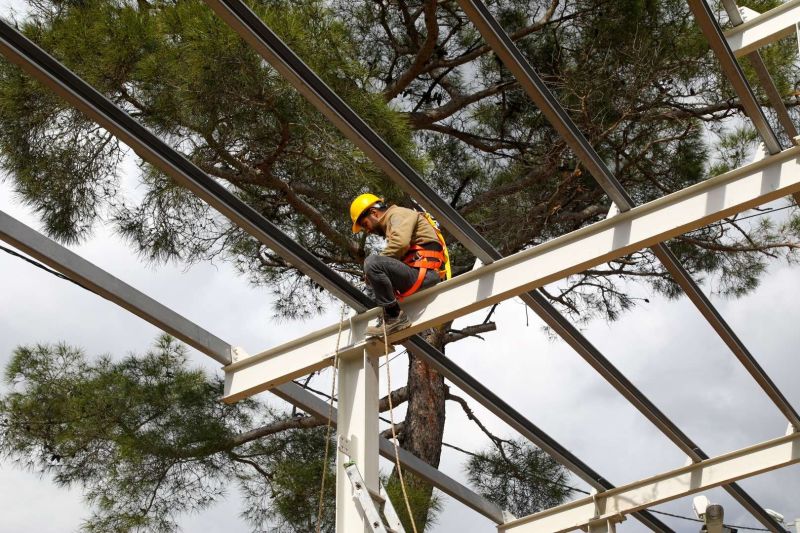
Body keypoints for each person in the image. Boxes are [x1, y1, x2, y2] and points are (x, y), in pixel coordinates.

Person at [350, 193, 448, 337]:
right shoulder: (392, 223)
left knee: (372, 263)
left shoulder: (397, 214)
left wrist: (371, 269)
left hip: (424, 273)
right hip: (417, 272)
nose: (368, 231)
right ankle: (386, 321)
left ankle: (394, 317)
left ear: (374, 213)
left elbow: (400, 244)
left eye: (365, 224)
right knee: (371, 287)